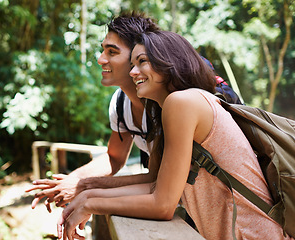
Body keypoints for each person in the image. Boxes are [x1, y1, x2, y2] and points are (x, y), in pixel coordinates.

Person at [57, 31, 292, 240]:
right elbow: (155, 186)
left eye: (142, 62)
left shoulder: (182, 102)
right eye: (132, 64)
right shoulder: (171, 109)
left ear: (168, 63)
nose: (133, 72)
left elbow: (162, 205)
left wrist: (90, 204)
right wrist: (86, 196)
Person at [26, 12, 161, 210]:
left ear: (138, 56)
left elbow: (158, 179)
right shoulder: (120, 103)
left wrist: (84, 187)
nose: (100, 59)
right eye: (103, 50)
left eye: (112, 52)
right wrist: (71, 180)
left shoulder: (165, 103)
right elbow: (114, 158)